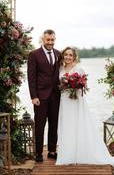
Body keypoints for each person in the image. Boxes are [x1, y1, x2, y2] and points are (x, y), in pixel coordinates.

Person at [56, 47, 114, 166]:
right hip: (65, 101)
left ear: (74, 57)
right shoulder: (60, 68)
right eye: (66, 54)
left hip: (76, 101)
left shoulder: (79, 69)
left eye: (70, 55)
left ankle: (81, 153)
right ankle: (67, 155)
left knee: (78, 124)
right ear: (63, 56)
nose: (68, 57)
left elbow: (84, 85)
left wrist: (76, 86)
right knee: (66, 125)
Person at [27, 29, 61, 162]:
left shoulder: (59, 54)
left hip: (56, 96)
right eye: (48, 40)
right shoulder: (34, 54)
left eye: (52, 40)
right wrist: (33, 96)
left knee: (54, 125)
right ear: (43, 39)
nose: (50, 42)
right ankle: (39, 153)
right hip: (40, 97)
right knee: (40, 125)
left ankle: (52, 151)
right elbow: (31, 77)